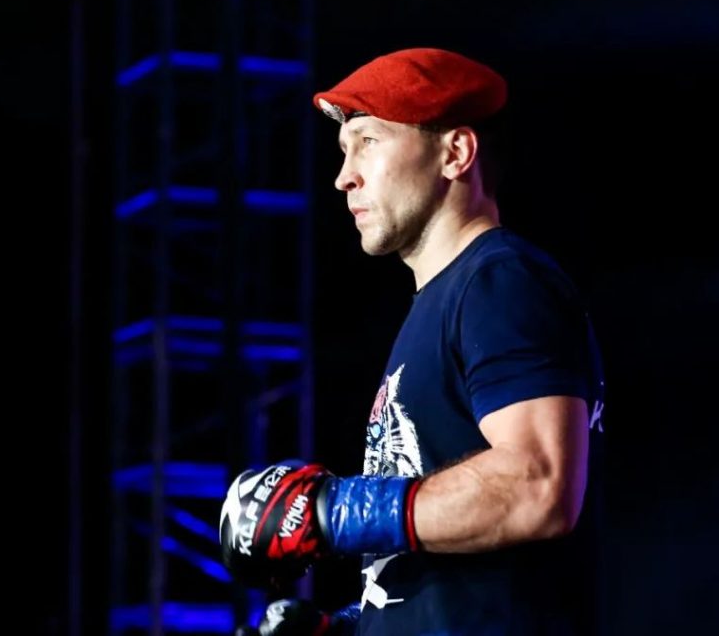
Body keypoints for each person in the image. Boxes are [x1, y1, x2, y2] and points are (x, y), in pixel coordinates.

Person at [220, 47, 606, 636]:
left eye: (368, 142)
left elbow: (538, 485)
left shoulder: (500, 281)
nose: (344, 176)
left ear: (455, 153)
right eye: (343, 149)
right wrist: (345, 628)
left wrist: (333, 513)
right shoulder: (444, 301)